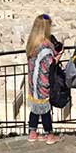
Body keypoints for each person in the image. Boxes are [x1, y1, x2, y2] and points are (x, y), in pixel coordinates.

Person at [26, 14, 61, 145]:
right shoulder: (45, 46)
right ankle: (50, 135)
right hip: (42, 83)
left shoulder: (32, 43)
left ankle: (32, 132)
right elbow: (50, 65)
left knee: (35, 108)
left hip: (32, 82)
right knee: (45, 110)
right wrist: (58, 56)